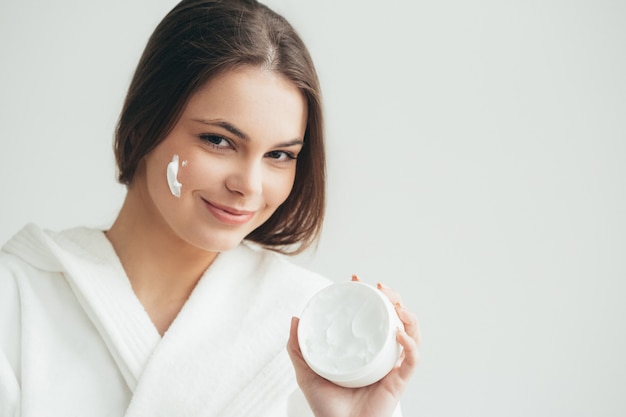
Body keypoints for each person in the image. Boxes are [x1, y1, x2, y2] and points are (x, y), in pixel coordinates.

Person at [0, 0, 420, 416]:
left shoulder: (318, 331)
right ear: (146, 122)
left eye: (279, 155)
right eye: (218, 141)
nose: (248, 186)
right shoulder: (17, 297)